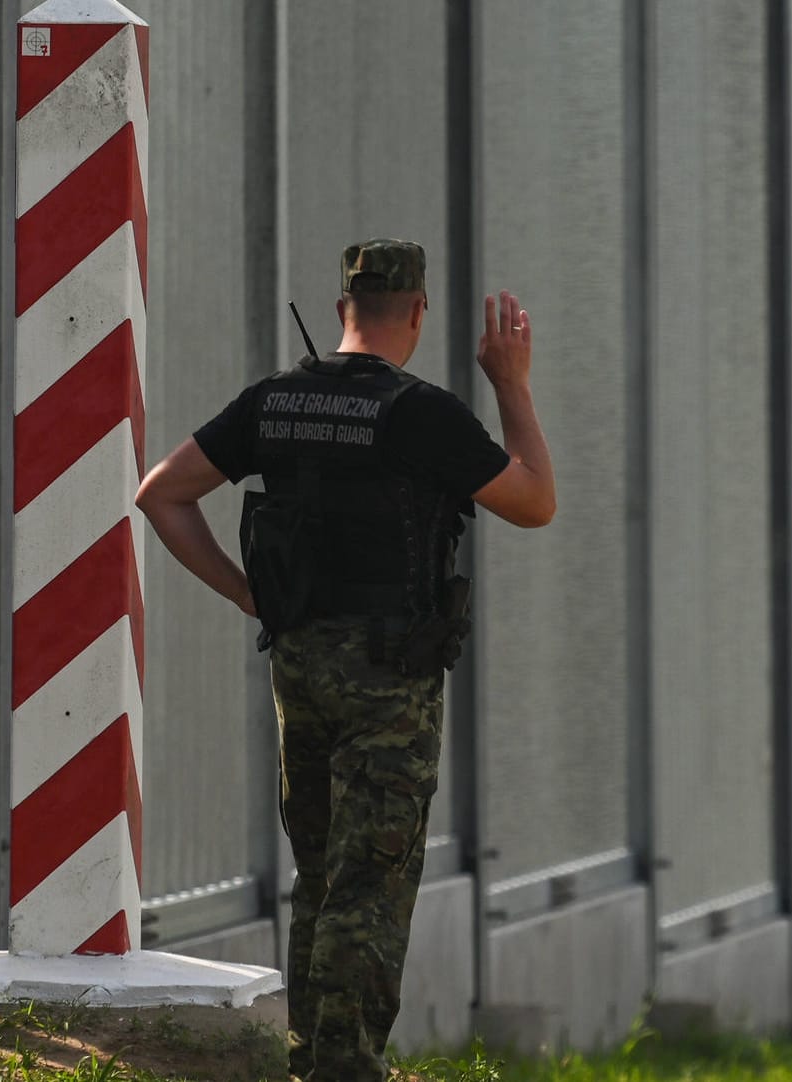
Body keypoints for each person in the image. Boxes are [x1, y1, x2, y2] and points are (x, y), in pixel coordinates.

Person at [135, 238, 555, 1081]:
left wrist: (243, 592)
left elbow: (161, 493)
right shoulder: (423, 415)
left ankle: (311, 1059)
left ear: (341, 310)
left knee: (321, 870)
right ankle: (347, 1067)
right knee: (376, 876)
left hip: (299, 667)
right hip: (389, 677)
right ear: (419, 312)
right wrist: (511, 382)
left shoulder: (274, 403)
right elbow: (536, 502)